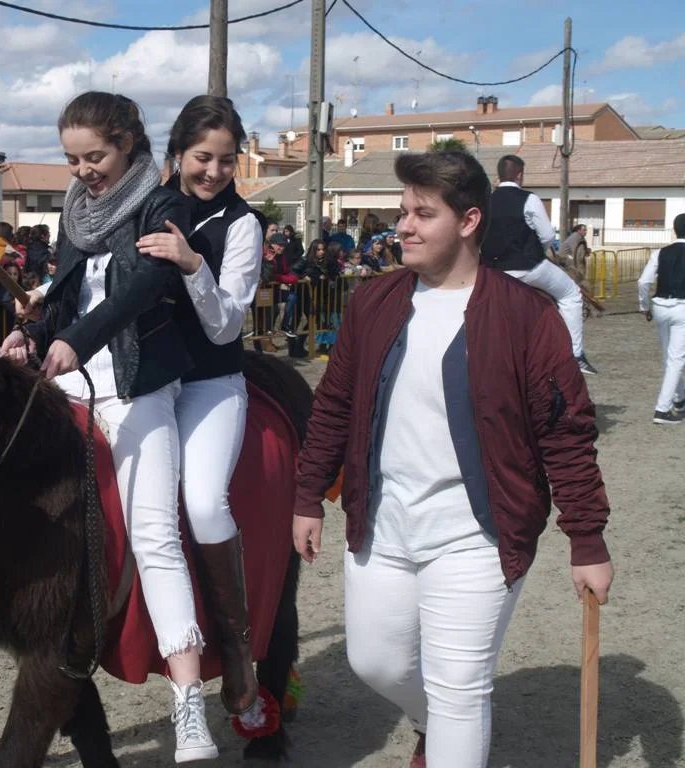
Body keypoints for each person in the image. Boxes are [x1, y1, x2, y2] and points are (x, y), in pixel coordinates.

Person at [291, 151, 614, 768]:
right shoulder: (373, 302)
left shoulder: (528, 317)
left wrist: (588, 539)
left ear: (468, 221)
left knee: (460, 690)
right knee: (375, 662)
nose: (402, 227)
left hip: (479, 537)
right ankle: (428, 725)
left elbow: (566, 433)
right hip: (383, 524)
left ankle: (445, 735)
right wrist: (308, 495)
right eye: (401, 212)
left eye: (421, 214)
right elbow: (333, 404)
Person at [0, 90, 216, 762]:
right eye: (71, 159)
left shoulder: (162, 201)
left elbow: (143, 288)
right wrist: (31, 331)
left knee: (155, 534)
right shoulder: (76, 211)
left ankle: (188, 708)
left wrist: (80, 341)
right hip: (72, 372)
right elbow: (67, 288)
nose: (82, 170)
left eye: (93, 155)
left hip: (138, 380)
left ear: (127, 141)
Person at [134, 94, 265, 720]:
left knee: (203, 501)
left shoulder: (243, 225)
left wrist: (190, 265)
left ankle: (237, 650)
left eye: (226, 160)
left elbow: (224, 327)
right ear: (177, 154)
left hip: (212, 383)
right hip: (145, 378)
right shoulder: (146, 204)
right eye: (202, 158)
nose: (213, 171)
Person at [480, 155, 597, 375]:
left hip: (493, 272)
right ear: (520, 175)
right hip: (528, 268)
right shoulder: (529, 198)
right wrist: (536, 250)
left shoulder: (484, 201)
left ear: (498, 175)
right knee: (571, 294)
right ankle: (575, 355)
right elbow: (547, 234)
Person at [637, 213, 685, 425]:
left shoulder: (660, 252)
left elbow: (643, 282)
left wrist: (644, 306)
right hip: (682, 308)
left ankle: (680, 399)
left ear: (675, 230)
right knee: (676, 359)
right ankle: (662, 410)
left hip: (661, 307)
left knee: (670, 357)